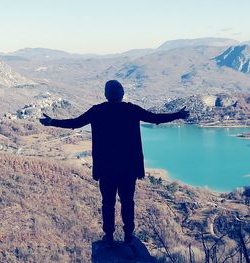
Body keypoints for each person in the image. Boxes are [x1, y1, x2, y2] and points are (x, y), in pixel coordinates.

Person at [40, 80, 189, 245]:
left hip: (106, 168)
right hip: (128, 167)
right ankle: (128, 236)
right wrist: (178, 115)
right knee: (127, 202)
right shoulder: (131, 110)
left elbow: (74, 123)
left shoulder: (98, 111)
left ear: (106, 94)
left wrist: (52, 121)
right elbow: (155, 118)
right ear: (122, 93)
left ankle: (109, 237)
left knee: (108, 203)